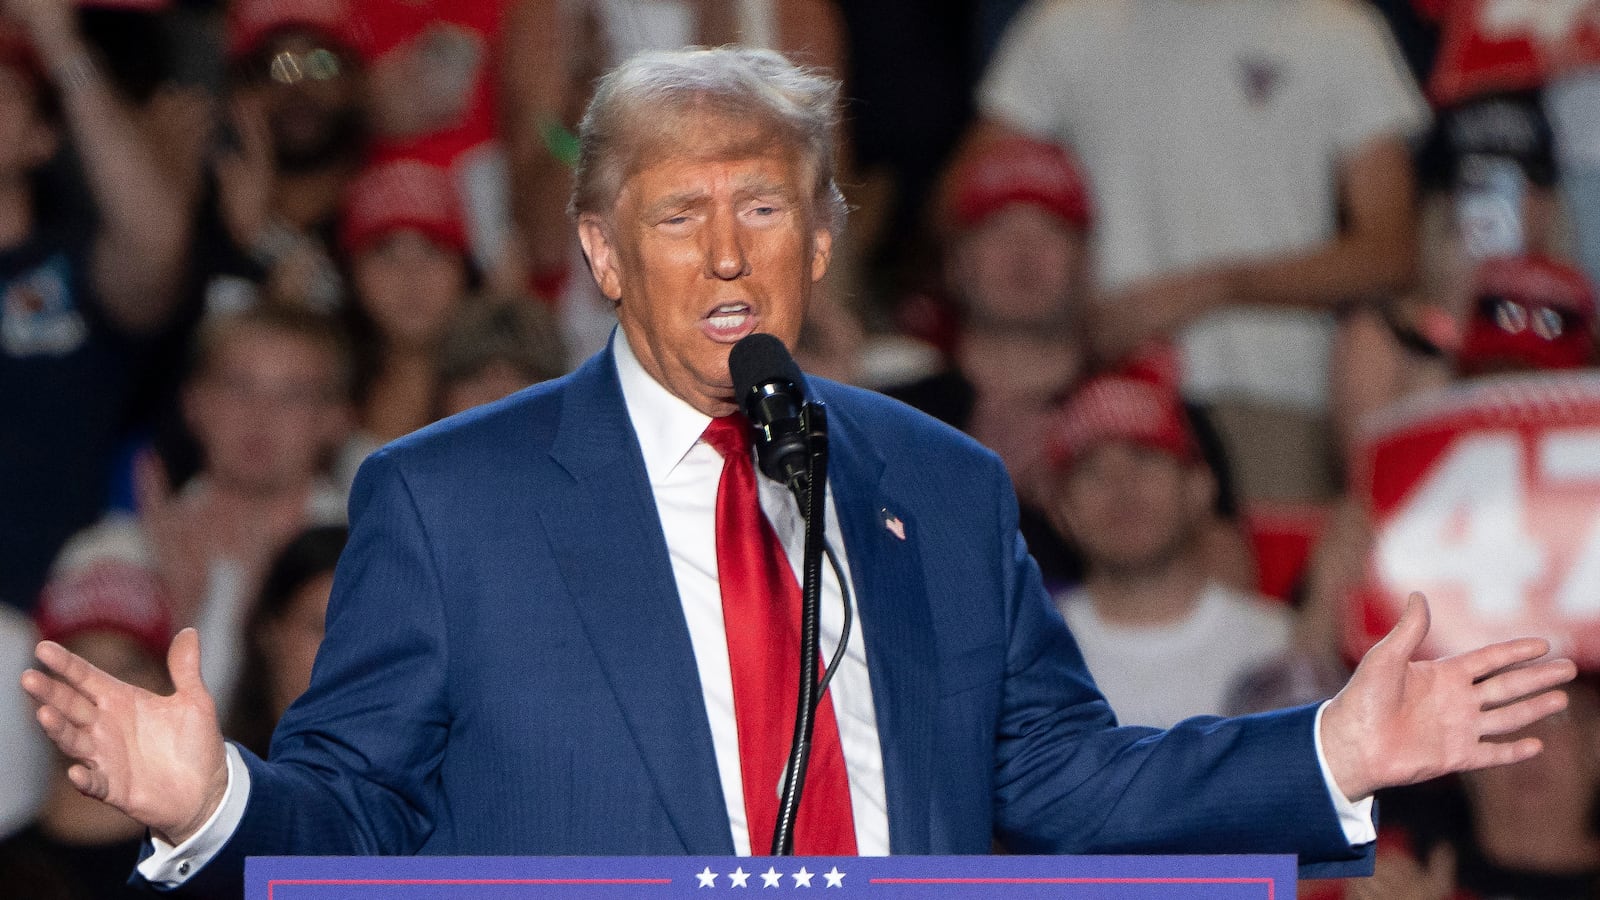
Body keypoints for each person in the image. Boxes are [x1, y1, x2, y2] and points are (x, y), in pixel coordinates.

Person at [20, 47, 1577, 898]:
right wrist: (216, 796)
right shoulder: (450, 496)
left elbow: (1056, 782)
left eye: (764, 209)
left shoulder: (945, 485)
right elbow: (357, 815)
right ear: (598, 256)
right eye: (676, 213)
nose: (723, 253)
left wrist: (1328, 754)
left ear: (823, 242)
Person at [974, 0, 1432, 502]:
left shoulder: (1336, 30)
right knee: (1110, 580)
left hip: (1270, 397)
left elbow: (1390, 254)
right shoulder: (1066, 25)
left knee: (1263, 577)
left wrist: (1213, 289)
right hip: (1102, 401)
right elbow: (966, 207)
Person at [0, 3, 189, 612]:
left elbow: (158, 242)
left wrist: (60, 44)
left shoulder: (72, 265)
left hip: (61, 628)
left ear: (41, 135)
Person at [1043, 372, 1293, 728]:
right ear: (1062, 511)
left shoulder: (1275, 645)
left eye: (1144, 459)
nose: (1122, 488)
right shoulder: (1031, 652)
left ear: (1200, 487)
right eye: (1093, 471)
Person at [0, 532, 176, 899]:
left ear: (168, 692)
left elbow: (327, 880)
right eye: (78, 668)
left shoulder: (236, 863)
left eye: (127, 669)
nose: (102, 693)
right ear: (35, 691)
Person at [225, 525, 349, 759]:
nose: (345, 654)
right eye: (321, 628)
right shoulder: (223, 775)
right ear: (270, 631)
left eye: (359, 635)